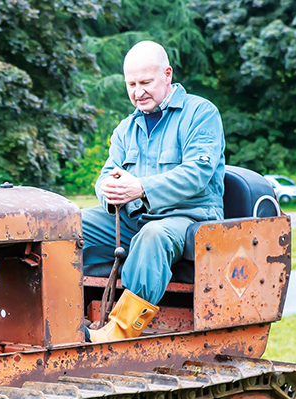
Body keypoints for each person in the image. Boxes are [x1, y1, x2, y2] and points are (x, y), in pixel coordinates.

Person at [83, 40, 225, 341]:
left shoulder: (201, 114)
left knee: (153, 236)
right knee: (68, 226)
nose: (138, 92)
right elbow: (106, 175)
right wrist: (110, 192)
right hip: (137, 216)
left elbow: (196, 174)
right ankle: (62, 317)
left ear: (167, 75)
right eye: (131, 84)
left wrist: (140, 187)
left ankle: (119, 331)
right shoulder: (126, 128)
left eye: (145, 82)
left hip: (191, 219)